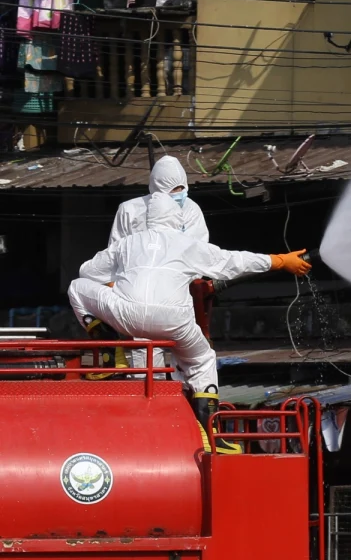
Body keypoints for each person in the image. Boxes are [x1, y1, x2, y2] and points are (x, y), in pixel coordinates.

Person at [69, 193, 311, 453]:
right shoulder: (186, 243)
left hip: (129, 318)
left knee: (76, 288)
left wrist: (120, 283)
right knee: (202, 360)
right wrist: (280, 261)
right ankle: (211, 433)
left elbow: (88, 272)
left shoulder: (127, 243)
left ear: (149, 218)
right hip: (174, 321)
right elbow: (233, 261)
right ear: (178, 219)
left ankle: (110, 350)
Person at [110, 154, 208, 247]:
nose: (178, 194)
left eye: (181, 188)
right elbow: (115, 251)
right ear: (157, 188)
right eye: (172, 190)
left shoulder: (191, 209)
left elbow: (198, 248)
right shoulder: (129, 210)